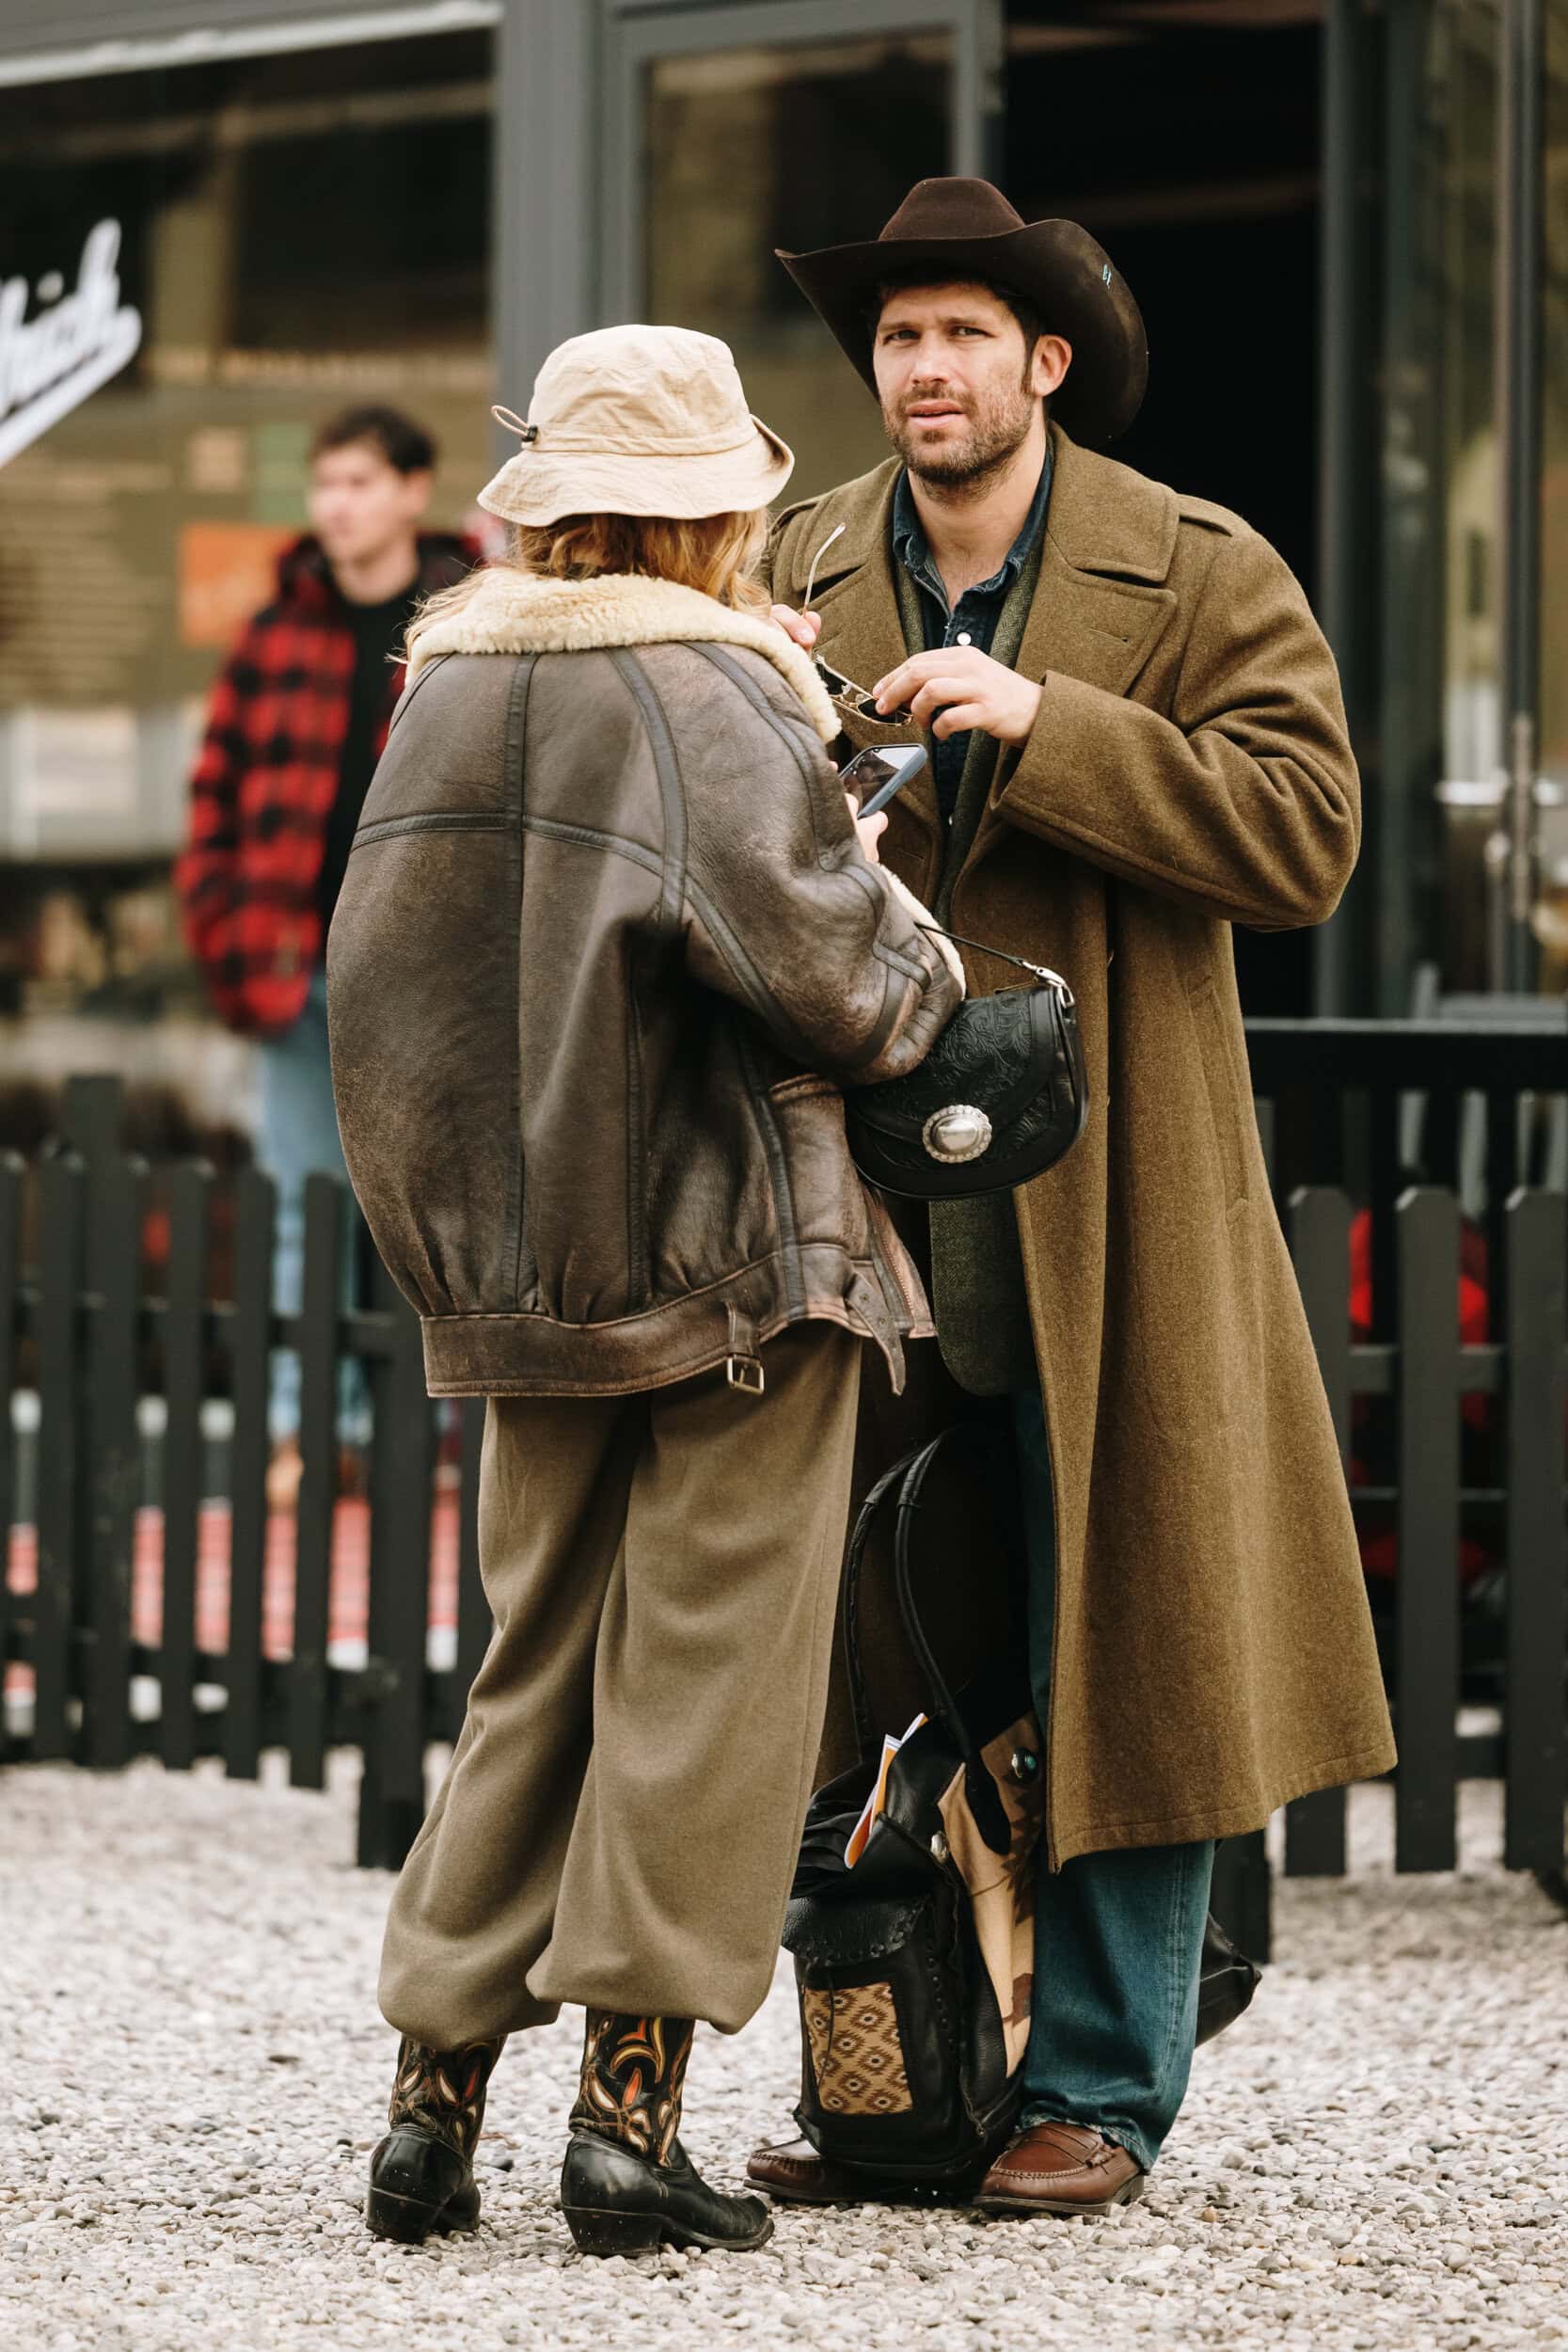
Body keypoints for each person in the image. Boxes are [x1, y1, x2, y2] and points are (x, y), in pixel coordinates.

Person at [748, 176, 1397, 2217]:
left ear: (1038, 362)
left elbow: (1304, 837)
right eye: (894, 336)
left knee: (1127, 1623)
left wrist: (1052, 725)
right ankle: (896, 2083)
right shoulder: (793, 563)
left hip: (1109, 1189)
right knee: (872, 1646)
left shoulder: (1194, 567)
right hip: (864, 1190)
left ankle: (1097, 2090)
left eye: (958, 335)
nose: (917, 370)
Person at [324, 325, 962, 2256]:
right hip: (734, 1262)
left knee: (532, 1664)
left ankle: (429, 2105)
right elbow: (852, 988)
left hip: (531, 1268)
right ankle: (630, 2116)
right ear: (712, 509)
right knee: (708, 1677)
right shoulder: (706, 682)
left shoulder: (441, 684)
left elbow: (380, 998)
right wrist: (873, 869)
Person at [174, 406, 479, 1503]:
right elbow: (213, 801)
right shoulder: (276, 631)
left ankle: (449, 1445)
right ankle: (315, 1435)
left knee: (437, 1208)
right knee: (306, 1210)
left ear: (410, 489)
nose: (335, 505)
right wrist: (226, 936)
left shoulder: (469, 618)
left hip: (429, 978)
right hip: (294, 974)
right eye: (324, 484)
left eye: (357, 482)